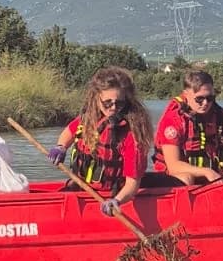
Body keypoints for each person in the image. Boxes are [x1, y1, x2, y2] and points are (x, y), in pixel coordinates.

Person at [48, 66, 151, 215]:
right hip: (80, 190)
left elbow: (132, 185)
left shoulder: (132, 136)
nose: (113, 108)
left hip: (111, 195)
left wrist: (117, 201)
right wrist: (61, 147)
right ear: (96, 98)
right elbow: (69, 132)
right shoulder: (90, 119)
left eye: (119, 103)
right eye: (107, 102)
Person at [152, 67, 223, 184]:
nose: (206, 103)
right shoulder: (173, 120)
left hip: (211, 174)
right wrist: (207, 172)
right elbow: (173, 166)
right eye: (199, 99)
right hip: (177, 179)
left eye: (210, 98)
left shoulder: (218, 114)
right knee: (186, 178)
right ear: (186, 94)